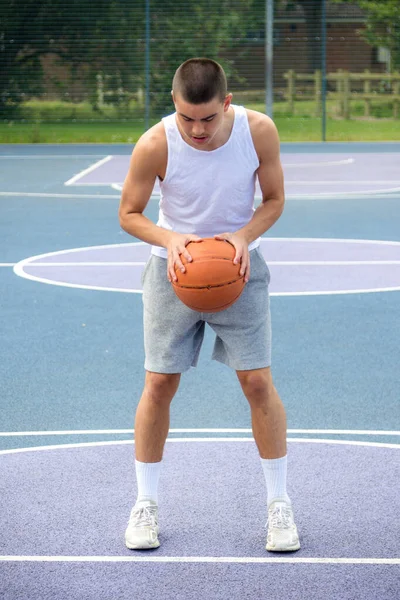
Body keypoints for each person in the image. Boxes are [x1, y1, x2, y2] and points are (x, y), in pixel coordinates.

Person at [119, 58, 300, 552]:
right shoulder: (156, 142)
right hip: (171, 272)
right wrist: (171, 238)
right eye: (186, 119)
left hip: (239, 269)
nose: (197, 130)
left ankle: (279, 506)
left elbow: (275, 199)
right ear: (173, 105)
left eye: (207, 118)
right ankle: (146, 505)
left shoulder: (258, 131)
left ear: (227, 102)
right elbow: (129, 214)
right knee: (158, 383)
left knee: (258, 381)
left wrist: (242, 237)